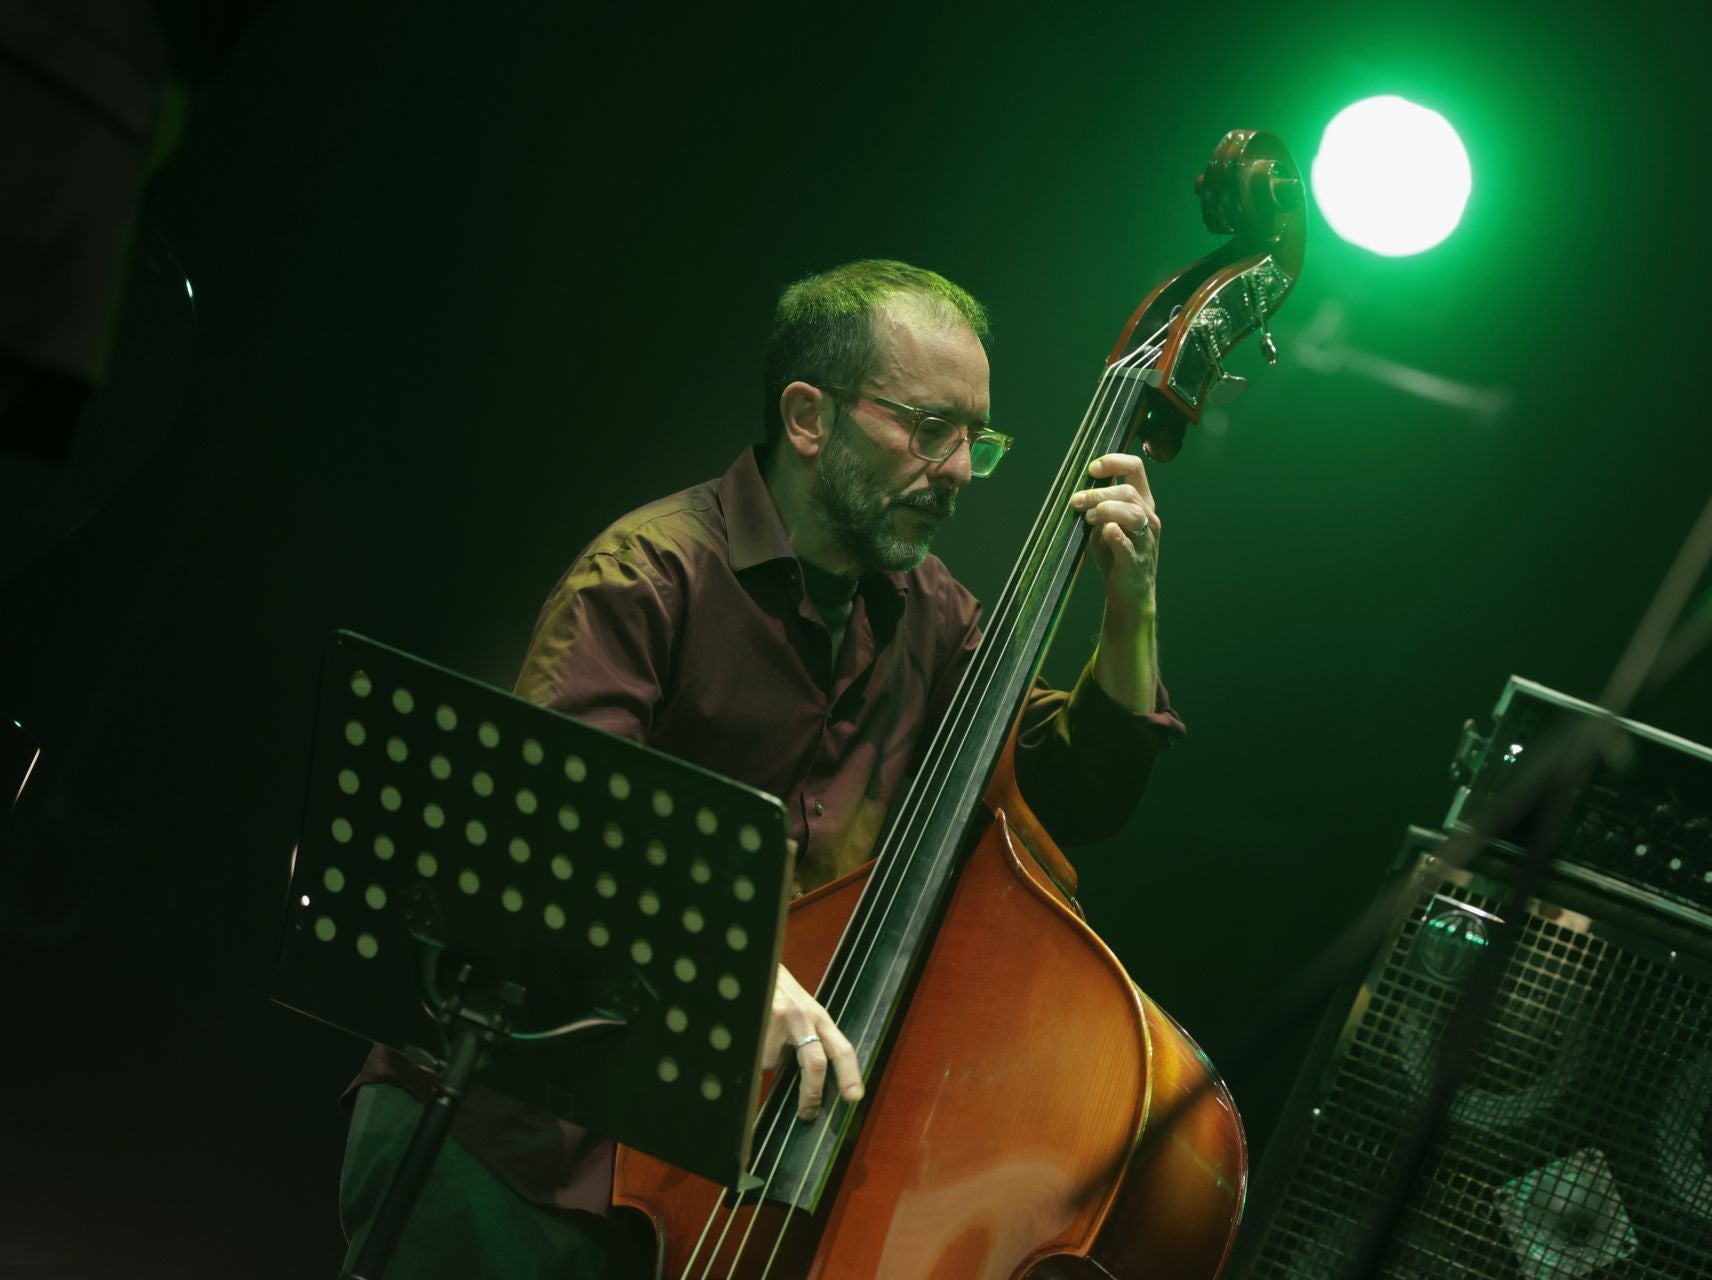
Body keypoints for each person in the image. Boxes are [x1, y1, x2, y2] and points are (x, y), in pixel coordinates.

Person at [338, 259, 1184, 1277]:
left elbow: (1078, 793)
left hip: (691, 1181)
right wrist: (733, 974)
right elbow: (556, 823)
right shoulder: (652, 573)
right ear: (808, 417)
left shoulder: (934, 618)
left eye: (977, 439)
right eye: (930, 429)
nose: (960, 468)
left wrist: (1130, 606)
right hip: (507, 1142)